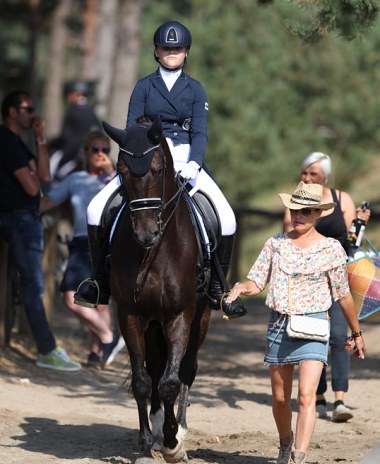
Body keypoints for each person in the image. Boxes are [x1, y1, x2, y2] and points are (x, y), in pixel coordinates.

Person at [74, 20, 247, 320]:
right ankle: (99, 281)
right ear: (156, 51)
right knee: (94, 208)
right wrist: (136, 162)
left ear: (186, 53)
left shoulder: (195, 89)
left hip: (184, 158)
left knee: (227, 216)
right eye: (166, 48)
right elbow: (130, 130)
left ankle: (218, 286)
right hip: (147, 158)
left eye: (177, 48)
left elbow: (201, 133)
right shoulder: (144, 85)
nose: (171, 52)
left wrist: (194, 162)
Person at [226, 181, 366, 464]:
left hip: (315, 325)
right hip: (279, 325)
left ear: (318, 214)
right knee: (280, 398)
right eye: (295, 210)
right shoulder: (275, 244)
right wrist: (241, 287)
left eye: (307, 211)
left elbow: (342, 294)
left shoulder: (332, 249)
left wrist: (356, 332)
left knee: (306, 396)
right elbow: (257, 281)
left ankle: (298, 462)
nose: (299, 215)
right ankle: (285, 443)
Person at [283, 152, 371, 422]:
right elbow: (290, 233)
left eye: (314, 174)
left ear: (326, 176)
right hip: (307, 279)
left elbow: (352, 241)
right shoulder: (295, 199)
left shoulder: (341, 198)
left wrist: (359, 223)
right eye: (305, 173)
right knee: (311, 334)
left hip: (336, 275)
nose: (308, 178)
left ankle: (340, 399)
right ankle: (317, 396)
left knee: (338, 335)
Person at [0, 90, 81, 372]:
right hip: (19, 219)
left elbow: (44, 177)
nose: (32, 114)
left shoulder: (21, 144)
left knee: (29, 284)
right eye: (26, 109)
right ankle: (46, 349)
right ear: (12, 112)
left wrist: (40, 139)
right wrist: (33, 177)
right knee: (33, 285)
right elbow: (33, 188)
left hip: (28, 218)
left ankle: (43, 345)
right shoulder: (6, 141)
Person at [40, 130, 125, 368]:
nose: (100, 154)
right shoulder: (75, 179)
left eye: (105, 150)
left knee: (101, 301)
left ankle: (96, 352)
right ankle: (109, 338)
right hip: (81, 243)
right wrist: (27, 210)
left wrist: (111, 172)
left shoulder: (117, 179)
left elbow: (130, 199)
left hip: (109, 245)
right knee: (70, 297)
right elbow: (50, 200)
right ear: (86, 153)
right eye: (95, 150)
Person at [50, 80, 100, 185]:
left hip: (71, 149)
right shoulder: (92, 111)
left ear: (77, 94)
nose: (68, 97)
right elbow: (98, 130)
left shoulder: (71, 111)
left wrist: (52, 143)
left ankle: (52, 187)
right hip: (88, 148)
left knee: (52, 168)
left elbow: (64, 135)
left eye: (70, 94)